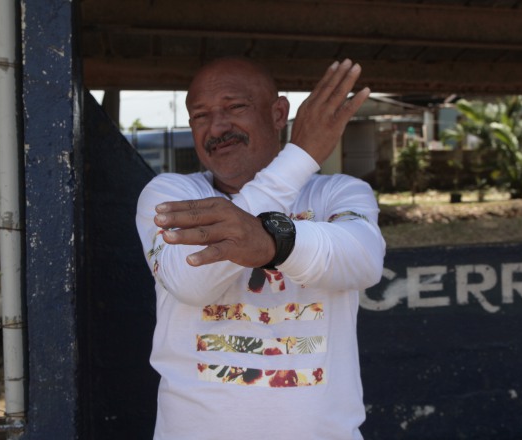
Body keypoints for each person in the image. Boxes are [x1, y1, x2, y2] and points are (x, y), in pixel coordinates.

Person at [135, 57, 385, 440]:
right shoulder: (173, 194)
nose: (217, 127)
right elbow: (190, 281)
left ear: (279, 113)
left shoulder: (338, 192)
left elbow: (363, 262)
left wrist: (272, 243)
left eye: (235, 107)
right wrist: (300, 157)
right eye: (201, 116)